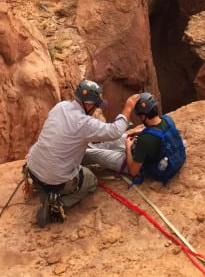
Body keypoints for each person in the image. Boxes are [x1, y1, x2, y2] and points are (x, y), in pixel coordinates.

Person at [25, 79, 140, 227]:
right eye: (96, 107)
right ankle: (55, 202)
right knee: (91, 181)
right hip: (54, 179)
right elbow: (115, 131)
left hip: (33, 169)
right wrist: (128, 107)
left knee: (81, 154)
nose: (96, 111)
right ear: (89, 105)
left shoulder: (60, 107)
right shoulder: (84, 123)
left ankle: (39, 186)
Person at [83, 92, 181, 179]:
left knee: (96, 155)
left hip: (136, 163)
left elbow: (133, 172)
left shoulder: (145, 140)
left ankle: (79, 155)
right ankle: (88, 146)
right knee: (117, 137)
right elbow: (159, 131)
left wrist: (128, 148)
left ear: (143, 116)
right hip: (151, 151)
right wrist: (140, 132)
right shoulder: (167, 119)